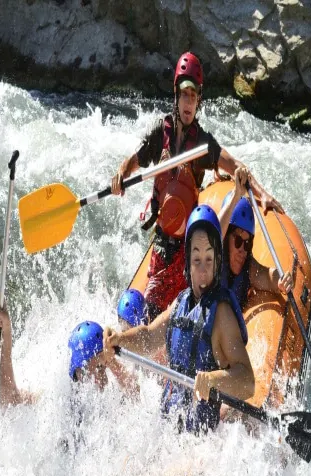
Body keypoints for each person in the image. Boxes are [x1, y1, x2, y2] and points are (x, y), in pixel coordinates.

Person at [110, 51, 284, 320]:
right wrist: (120, 175)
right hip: (161, 243)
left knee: (179, 317)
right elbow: (134, 161)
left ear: (199, 100)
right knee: (150, 314)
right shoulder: (161, 133)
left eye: (194, 96)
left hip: (188, 247)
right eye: (184, 94)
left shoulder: (203, 144)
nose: (188, 102)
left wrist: (263, 195)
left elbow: (237, 166)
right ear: (176, 95)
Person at [102, 203, 255, 434]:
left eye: (209, 259)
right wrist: (120, 338)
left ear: (217, 260)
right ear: (187, 261)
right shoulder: (181, 302)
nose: (203, 269)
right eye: (196, 260)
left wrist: (213, 380)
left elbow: (247, 381)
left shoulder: (221, 314)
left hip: (201, 441)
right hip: (169, 428)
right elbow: (149, 337)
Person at [0, 295, 136, 410]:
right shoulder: (57, 401)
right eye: (98, 368)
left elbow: (135, 393)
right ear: (79, 371)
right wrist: (6, 330)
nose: (104, 379)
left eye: (104, 368)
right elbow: (10, 400)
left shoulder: (107, 400)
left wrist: (110, 359)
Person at [218, 185, 293, 309]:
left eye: (247, 244)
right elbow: (213, 234)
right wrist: (236, 194)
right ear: (226, 239)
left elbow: (268, 276)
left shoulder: (248, 268)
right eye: (238, 241)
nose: (243, 251)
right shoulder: (212, 262)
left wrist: (281, 281)